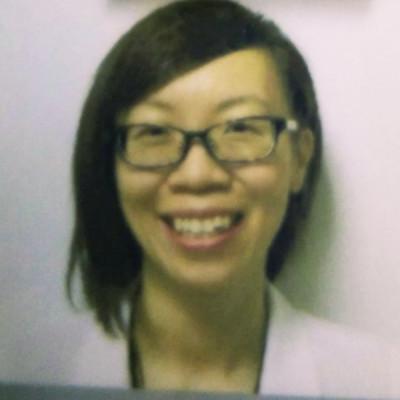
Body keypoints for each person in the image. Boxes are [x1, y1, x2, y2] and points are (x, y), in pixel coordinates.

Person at [67, 0, 400, 397]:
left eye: (240, 127)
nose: (197, 175)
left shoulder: (380, 380)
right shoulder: (36, 364)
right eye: (155, 132)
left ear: (299, 158)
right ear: (109, 162)